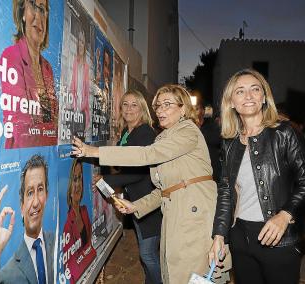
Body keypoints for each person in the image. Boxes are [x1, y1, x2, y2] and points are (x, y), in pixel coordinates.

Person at [72, 84, 231, 284]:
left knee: (191, 275)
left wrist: (95, 151)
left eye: (167, 104)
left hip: (194, 215)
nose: (160, 110)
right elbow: (166, 189)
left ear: (183, 109)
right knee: (170, 274)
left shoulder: (187, 131)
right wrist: (137, 205)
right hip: (174, 215)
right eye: (157, 106)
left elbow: (147, 154)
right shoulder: (165, 137)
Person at [210, 69, 305, 284]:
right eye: (240, 91)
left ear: (264, 97)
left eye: (255, 89)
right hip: (240, 238)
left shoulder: (284, 133)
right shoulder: (229, 142)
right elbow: (226, 191)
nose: (248, 96)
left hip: (277, 237)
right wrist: (219, 235)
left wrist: (285, 215)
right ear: (231, 102)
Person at [96, 90, 162, 284]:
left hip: (149, 200)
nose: (129, 109)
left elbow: (138, 172)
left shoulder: (145, 132)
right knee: (147, 250)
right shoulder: (127, 132)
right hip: (135, 199)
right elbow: (121, 161)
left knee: (148, 253)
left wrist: (106, 179)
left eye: (134, 105)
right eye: (125, 104)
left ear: (142, 108)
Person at [0, 155, 55, 284]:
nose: (35, 202)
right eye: (29, 192)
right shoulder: (8, 274)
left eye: (40, 190)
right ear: (22, 206)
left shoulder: (57, 242)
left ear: (46, 195)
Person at [1, 0, 58, 148]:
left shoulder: (47, 68)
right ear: (23, 12)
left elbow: (57, 121)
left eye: (43, 10)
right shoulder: (11, 57)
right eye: (33, 6)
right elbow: (22, 130)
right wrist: (51, 132)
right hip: (21, 159)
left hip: (45, 156)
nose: (39, 17)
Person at [62, 159, 96, 283]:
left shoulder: (84, 211)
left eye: (80, 178)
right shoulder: (67, 225)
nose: (78, 185)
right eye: (74, 179)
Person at [70, 26, 90, 135]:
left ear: (84, 45)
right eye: (79, 41)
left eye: (82, 42)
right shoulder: (74, 63)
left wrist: (87, 119)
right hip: (73, 110)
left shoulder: (86, 67)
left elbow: (86, 95)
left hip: (82, 113)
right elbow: (71, 87)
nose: (80, 44)